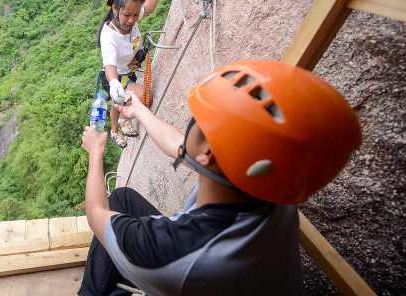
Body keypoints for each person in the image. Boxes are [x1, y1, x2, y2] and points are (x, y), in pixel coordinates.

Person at [78, 60, 362, 295]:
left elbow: (96, 213)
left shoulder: (167, 251)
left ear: (208, 155)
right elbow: (183, 144)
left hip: (191, 269)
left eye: (197, 120)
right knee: (123, 198)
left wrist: (96, 151)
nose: (190, 123)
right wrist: (138, 110)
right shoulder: (275, 182)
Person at [97, 0, 173, 148]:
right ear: (114, 9)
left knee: (120, 100)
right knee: (143, 99)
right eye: (127, 15)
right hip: (116, 76)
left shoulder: (132, 13)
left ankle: (121, 120)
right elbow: (109, 63)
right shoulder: (108, 36)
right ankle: (115, 129)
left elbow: (150, 7)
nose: (132, 20)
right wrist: (114, 82)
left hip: (128, 70)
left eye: (135, 14)